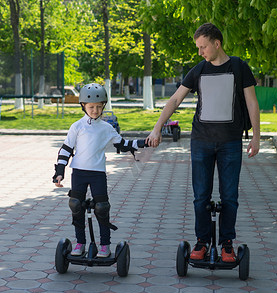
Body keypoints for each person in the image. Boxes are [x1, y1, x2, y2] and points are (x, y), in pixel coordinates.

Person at [147, 23, 260, 263]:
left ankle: (227, 243)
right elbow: (175, 99)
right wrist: (157, 127)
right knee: (201, 196)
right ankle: (202, 241)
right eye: (198, 47)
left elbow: (252, 103)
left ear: (217, 44)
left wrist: (257, 137)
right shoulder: (198, 70)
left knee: (230, 196)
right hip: (201, 142)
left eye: (203, 47)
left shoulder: (239, 67)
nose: (200, 52)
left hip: (230, 142)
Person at [53, 83, 147, 258]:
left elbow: (123, 144)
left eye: (98, 107)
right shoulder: (77, 126)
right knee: (76, 206)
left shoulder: (106, 128)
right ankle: (80, 242)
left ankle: (105, 245)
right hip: (79, 173)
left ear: (103, 105)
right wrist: (59, 172)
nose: (95, 110)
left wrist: (144, 142)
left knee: (102, 208)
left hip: (98, 174)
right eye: (91, 107)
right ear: (83, 106)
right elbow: (66, 149)